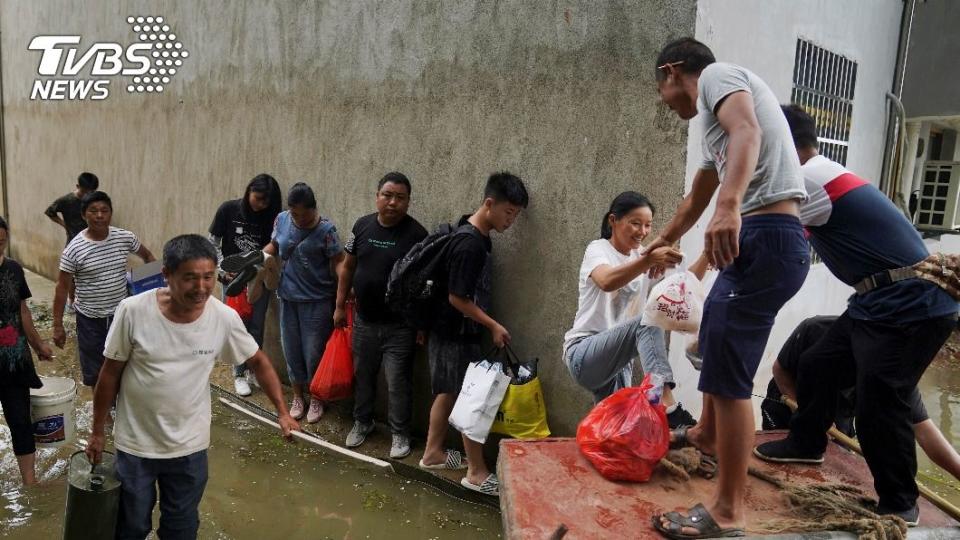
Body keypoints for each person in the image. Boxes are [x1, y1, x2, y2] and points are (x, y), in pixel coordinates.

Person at [753, 105, 958, 526]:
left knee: (880, 401)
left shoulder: (808, 179)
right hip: (877, 302)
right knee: (819, 362)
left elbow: (759, 229)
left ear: (784, 145)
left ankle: (900, 501)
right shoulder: (820, 177)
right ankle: (807, 442)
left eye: (762, 144)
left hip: (910, 302)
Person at [649, 38, 810, 539]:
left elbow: (748, 130)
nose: (664, 99)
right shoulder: (708, 127)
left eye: (661, 86)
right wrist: (663, 241)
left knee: (730, 377)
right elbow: (697, 196)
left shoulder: (719, 78)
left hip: (767, 236)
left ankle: (727, 512)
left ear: (674, 71)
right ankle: (705, 433)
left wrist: (731, 204)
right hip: (759, 244)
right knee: (714, 338)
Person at [84, 234, 299, 539]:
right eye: (190, 278)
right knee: (131, 527)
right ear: (166, 275)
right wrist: (97, 431)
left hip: (189, 448)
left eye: (208, 277)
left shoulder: (223, 317)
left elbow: (259, 361)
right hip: (135, 446)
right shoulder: (132, 311)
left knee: (182, 529)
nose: (201, 288)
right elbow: (109, 374)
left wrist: (282, 412)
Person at [418, 172, 529, 497]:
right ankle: (477, 472)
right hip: (456, 331)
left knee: (449, 392)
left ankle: (433, 454)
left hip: (447, 330)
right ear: (489, 203)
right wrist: (492, 324)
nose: (511, 220)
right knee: (471, 397)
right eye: (509, 212)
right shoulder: (471, 244)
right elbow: (457, 297)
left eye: (516, 215)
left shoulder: (469, 232)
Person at [761, 316, 960, 485]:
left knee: (837, 455)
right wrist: (805, 416)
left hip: (840, 411)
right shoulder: (816, 330)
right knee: (782, 469)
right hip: (790, 401)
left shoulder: (897, 372)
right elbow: (780, 370)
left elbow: (925, 432)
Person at [563, 191, 695, 427]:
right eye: (635, 223)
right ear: (613, 221)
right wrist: (647, 261)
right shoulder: (599, 249)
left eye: (647, 225)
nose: (642, 232)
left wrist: (708, 254)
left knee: (618, 433)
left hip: (617, 364)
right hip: (583, 354)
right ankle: (666, 404)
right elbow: (606, 281)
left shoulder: (643, 257)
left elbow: (682, 288)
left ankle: (655, 413)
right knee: (648, 320)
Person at [334, 172, 427, 458]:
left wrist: (422, 324)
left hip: (400, 327)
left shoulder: (417, 235)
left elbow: (424, 284)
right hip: (364, 321)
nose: (392, 202)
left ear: (408, 202)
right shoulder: (362, 227)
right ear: (377, 197)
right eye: (387, 195)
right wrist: (339, 306)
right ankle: (363, 422)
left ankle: (400, 434)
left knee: (398, 381)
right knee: (363, 375)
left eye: (400, 197)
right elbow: (348, 267)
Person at [52, 191, 155, 388]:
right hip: (90, 319)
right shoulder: (74, 249)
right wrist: (57, 325)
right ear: (84, 215)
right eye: (93, 211)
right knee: (95, 372)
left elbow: (148, 256)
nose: (99, 215)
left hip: (121, 316)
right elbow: (61, 287)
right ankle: (104, 416)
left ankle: (121, 409)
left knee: (124, 365)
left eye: (104, 211)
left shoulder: (124, 237)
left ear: (110, 213)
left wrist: (151, 288)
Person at [264, 182, 344, 424]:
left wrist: (345, 292)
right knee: (292, 351)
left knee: (314, 353)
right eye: (294, 213)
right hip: (288, 297)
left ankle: (317, 398)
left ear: (313, 208)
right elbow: (275, 245)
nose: (298, 218)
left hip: (316, 301)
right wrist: (261, 258)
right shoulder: (282, 219)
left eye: (303, 213)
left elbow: (339, 261)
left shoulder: (327, 230)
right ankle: (298, 397)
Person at [208, 173, 283, 396]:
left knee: (257, 325)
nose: (261, 205)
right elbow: (213, 241)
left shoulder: (273, 217)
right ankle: (239, 373)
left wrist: (260, 258)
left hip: (258, 276)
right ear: (249, 191)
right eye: (258, 198)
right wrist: (222, 267)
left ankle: (252, 370)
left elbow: (276, 243)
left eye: (266, 201)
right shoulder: (228, 210)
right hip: (232, 278)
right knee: (237, 325)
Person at [0, 216, 54, 485]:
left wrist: (38, 343)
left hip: (14, 360)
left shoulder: (13, 269)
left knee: (20, 421)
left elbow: (22, 311)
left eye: (1, 241)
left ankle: (30, 482)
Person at [45, 171, 99, 245]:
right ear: (78, 186)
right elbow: (50, 212)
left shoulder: (94, 199)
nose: (87, 195)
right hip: (73, 239)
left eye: (91, 192)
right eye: (84, 191)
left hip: (92, 239)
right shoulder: (66, 200)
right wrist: (64, 225)